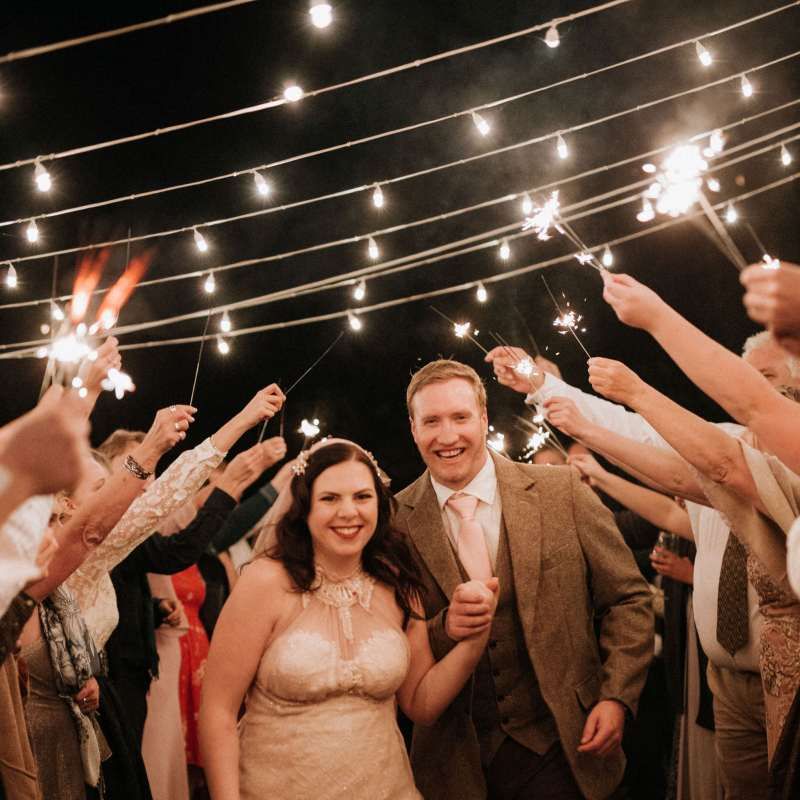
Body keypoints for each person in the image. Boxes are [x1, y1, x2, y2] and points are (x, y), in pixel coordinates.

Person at [394, 358, 654, 800]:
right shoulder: (394, 523)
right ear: (414, 429)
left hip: (563, 746)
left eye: (460, 417)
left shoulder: (561, 492)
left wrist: (616, 696)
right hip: (453, 763)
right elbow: (389, 641)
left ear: (483, 418)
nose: (448, 436)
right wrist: (444, 628)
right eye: (432, 421)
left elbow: (628, 599)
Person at [199, 439, 499, 800]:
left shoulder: (398, 584)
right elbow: (218, 712)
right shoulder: (265, 582)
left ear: (379, 504)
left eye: (362, 497)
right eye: (329, 498)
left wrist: (475, 638)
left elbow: (421, 704)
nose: (348, 512)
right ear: (304, 507)